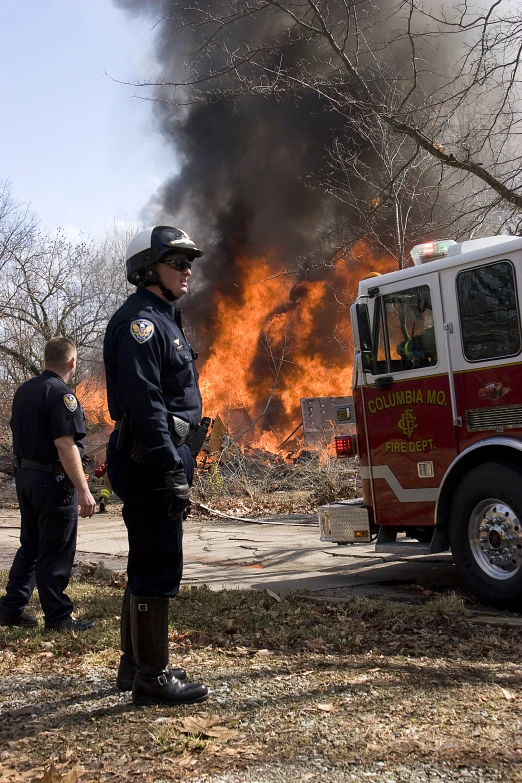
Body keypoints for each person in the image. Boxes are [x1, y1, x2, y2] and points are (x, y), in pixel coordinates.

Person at [104, 226, 208, 707]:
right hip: (150, 461)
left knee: (146, 557)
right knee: (159, 561)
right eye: (177, 261)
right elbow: (145, 404)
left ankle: (136, 665)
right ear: (148, 268)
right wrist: (169, 465)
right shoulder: (141, 323)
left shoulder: (163, 318)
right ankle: (152, 676)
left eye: (190, 262)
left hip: (156, 457)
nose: (188, 270)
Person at [0, 337, 96, 631]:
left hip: (26, 477)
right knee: (56, 549)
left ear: (45, 359)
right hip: (52, 482)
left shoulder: (25, 390)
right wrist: (83, 490)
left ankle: (10, 609)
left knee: (30, 546)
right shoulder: (62, 395)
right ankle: (58, 617)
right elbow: (65, 445)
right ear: (72, 362)